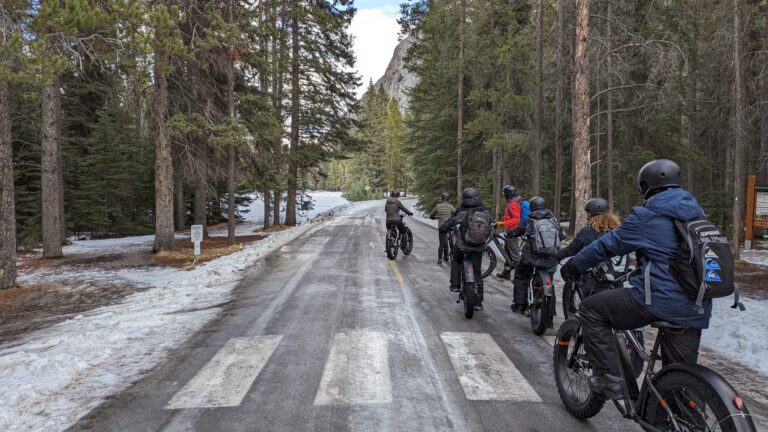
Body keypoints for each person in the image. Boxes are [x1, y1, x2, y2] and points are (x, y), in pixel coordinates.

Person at [560, 159, 709, 400]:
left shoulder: (648, 215)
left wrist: (574, 265)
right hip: (697, 305)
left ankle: (610, 378)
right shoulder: (698, 215)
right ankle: (679, 417)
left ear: (645, 186)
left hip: (658, 300)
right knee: (680, 380)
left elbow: (607, 246)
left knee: (590, 310)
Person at [555, 198, 621, 315]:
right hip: (617, 276)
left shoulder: (588, 231)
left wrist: (557, 256)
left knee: (590, 310)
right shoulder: (617, 230)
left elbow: (572, 249)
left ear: (590, 214)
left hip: (596, 278)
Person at [510, 196, 565, 314]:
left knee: (521, 275)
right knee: (550, 280)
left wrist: (510, 233)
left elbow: (518, 231)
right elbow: (562, 236)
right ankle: (550, 316)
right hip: (550, 257)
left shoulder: (530, 220)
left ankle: (520, 305)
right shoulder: (553, 219)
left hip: (531, 257)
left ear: (531, 206)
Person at [439, 188, 491, 311]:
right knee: (477, 272)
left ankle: (455, 285)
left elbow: (448, 224)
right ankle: (478, 302)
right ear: (476, 197)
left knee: (456, 260)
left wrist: (443, 228)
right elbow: (490, 225)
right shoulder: (484, 211)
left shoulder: (460, 211)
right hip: (478, 246)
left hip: (462, 246)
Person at [495, 185, 528, 279]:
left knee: (515, 255)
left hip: (513, 232)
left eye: (504, 193)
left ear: (507, 194)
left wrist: (503, 223)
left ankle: (519, 277)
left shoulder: (513, 204)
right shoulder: (512, 203)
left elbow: (516, 220)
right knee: (507, 253)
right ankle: (506, 273)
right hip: (509, 231)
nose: (503, 194)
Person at [430, 192, 456, 264]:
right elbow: (456, 214)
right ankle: (450, 255)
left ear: (442, 199)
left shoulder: (438, 206)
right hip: (449, 226)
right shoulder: (451, 206)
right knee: (451, 241)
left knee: (441, 243)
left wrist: (436, 217)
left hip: (442, 227)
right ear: (449, 199)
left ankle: (440, 259)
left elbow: (431, 216)